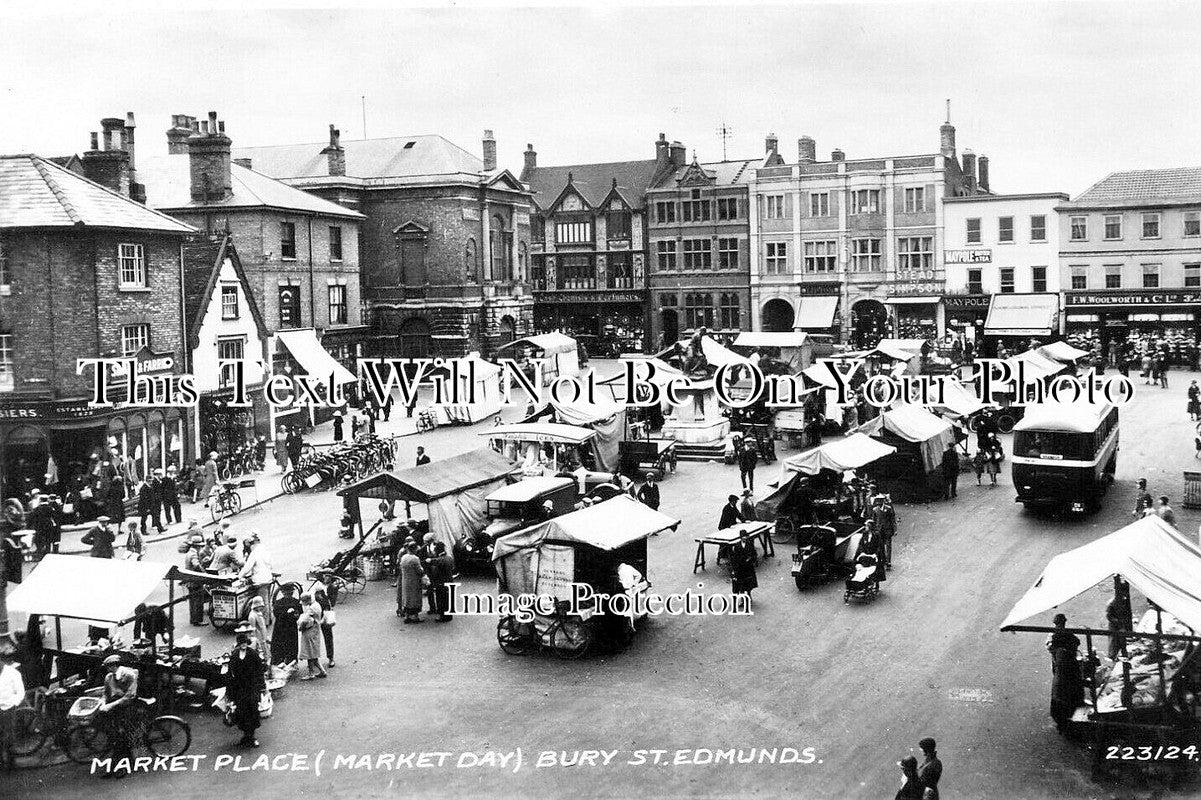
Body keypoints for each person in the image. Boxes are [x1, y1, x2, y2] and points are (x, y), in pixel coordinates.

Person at [98, 655, 139, 778]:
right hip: (115, 709)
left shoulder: (129, 676)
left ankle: (120, 767)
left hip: (129, 707)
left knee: (121, 738)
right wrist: (104, 702)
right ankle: (125, 764)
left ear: (114, 665)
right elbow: (105, 693)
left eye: (108, 666)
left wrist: (110, 706)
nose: (107, 669)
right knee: (117, 737)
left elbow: (129, 697)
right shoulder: (109, 677)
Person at [225, 632, 266, 747]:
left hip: (251, 687)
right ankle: (245, 736)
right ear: (239, 644)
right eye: (241, 643)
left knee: (252, 711)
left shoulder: (253, 654)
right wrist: (229, 690)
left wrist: (262, 687)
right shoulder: (235, 655)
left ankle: (252, 737)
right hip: (239, 689)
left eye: (245, 643)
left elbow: (260, 672)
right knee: (241, 712)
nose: (243, 645)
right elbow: (230, 672)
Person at [1046, 613, 1082, 736]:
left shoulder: (1054, 636)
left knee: (1060, 695)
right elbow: (1077, 642)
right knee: (1065, 694)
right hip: (1065, 669)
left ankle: (1064, 723)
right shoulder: (1064, 635)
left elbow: (1050, 647)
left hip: (1061, 668)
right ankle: (1067, 722)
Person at [239, 533, 275, 626]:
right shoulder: (266, 551)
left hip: (260, 580)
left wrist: (240, 575)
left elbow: (247, 567)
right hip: (268, 578)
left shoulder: (254, 553)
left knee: (262, 601)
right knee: (267, 599)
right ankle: (268, 618)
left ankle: (264, 622)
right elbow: (270, 565)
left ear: (252, 545)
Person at [0, 646, 25, 772]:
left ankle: (11, 763)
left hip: (8, 709)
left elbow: (20, 692)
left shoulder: (13, 674)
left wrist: (14, 703)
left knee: (8, 736)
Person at [296, 594, 328, 680]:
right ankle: (322, 671)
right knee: (313, 653)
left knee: (309, 653)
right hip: (316, 630)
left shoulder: (311, 608)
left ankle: (311, 673)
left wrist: (300, 627)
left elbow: (305, 620)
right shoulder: (316, 605)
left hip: (309, 631)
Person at [271, 584, 303, 666]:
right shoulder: (294, 602)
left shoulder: (280, 603)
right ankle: (284, 661)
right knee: (285, 645)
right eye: (286, 593)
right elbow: (277, 614)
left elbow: (299, 614)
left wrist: (294, 614)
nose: (288, 595)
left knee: (287, 645)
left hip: (285, 627)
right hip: (284, 627)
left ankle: (287, 661)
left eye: (289, 593)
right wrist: (289, 614)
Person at [397, 541, 426, 623]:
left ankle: (407, 616)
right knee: (415, 598)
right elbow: (419, 570)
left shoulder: (404, 557)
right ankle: (415, 617)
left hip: (405, 580)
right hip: (414, 581)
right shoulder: (415, 559)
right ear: (414, 549)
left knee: (407, 598)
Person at [181, 535, 207, 625]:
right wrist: (203, 574)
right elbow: (196, 565)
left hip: (189, 580)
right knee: (198, 601)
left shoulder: (189, 553)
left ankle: (193, 619)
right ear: (197, 546)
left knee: (192, 601)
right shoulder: (194, 554)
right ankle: (198, 620)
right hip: (195, 581)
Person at [426, 541, 454, 622]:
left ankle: (442, 616)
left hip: (441, 582)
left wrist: (429, 560)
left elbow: (435, 561)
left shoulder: (441, 559)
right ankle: (448, 616)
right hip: (449, 581)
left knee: (440, 600)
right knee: (447, 599)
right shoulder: (449, 558)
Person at [1106, 578, 1133, 660]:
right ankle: (1112, 658)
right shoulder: (1112, 603)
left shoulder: (1124, 601)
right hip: (1114, 626)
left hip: (1122, 626)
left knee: (1123, 643)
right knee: (1114, 644)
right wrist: (1118, 622)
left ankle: (1122, 656)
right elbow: (1109, 616)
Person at [729, 532, 758, 603]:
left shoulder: (750, 545)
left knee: (748, 584)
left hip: (748, 567)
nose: (744, 538)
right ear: (740, 538)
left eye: (745, 537)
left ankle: (749, 596)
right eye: (743, 537)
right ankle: (742, 599)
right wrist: (735, 568)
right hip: (740, 568)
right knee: (740, 584)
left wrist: (750, 559)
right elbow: (735, 557)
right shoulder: (737, 546)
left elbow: (754, 554)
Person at [314, 587, 337, 666]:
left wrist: (321, 621)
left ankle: (331, 658)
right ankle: (315, 659)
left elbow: (327, 610)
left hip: (324, 620)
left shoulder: (325, 600)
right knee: (314, 640)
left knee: (328, 638)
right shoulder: (315, 599)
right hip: (316, 620)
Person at [246, 596, 271, 667]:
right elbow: (252, 629)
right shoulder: (252, 616)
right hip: (258, 637)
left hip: (263, 636)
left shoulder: (258, 613)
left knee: (266, 652)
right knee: (260, 653)